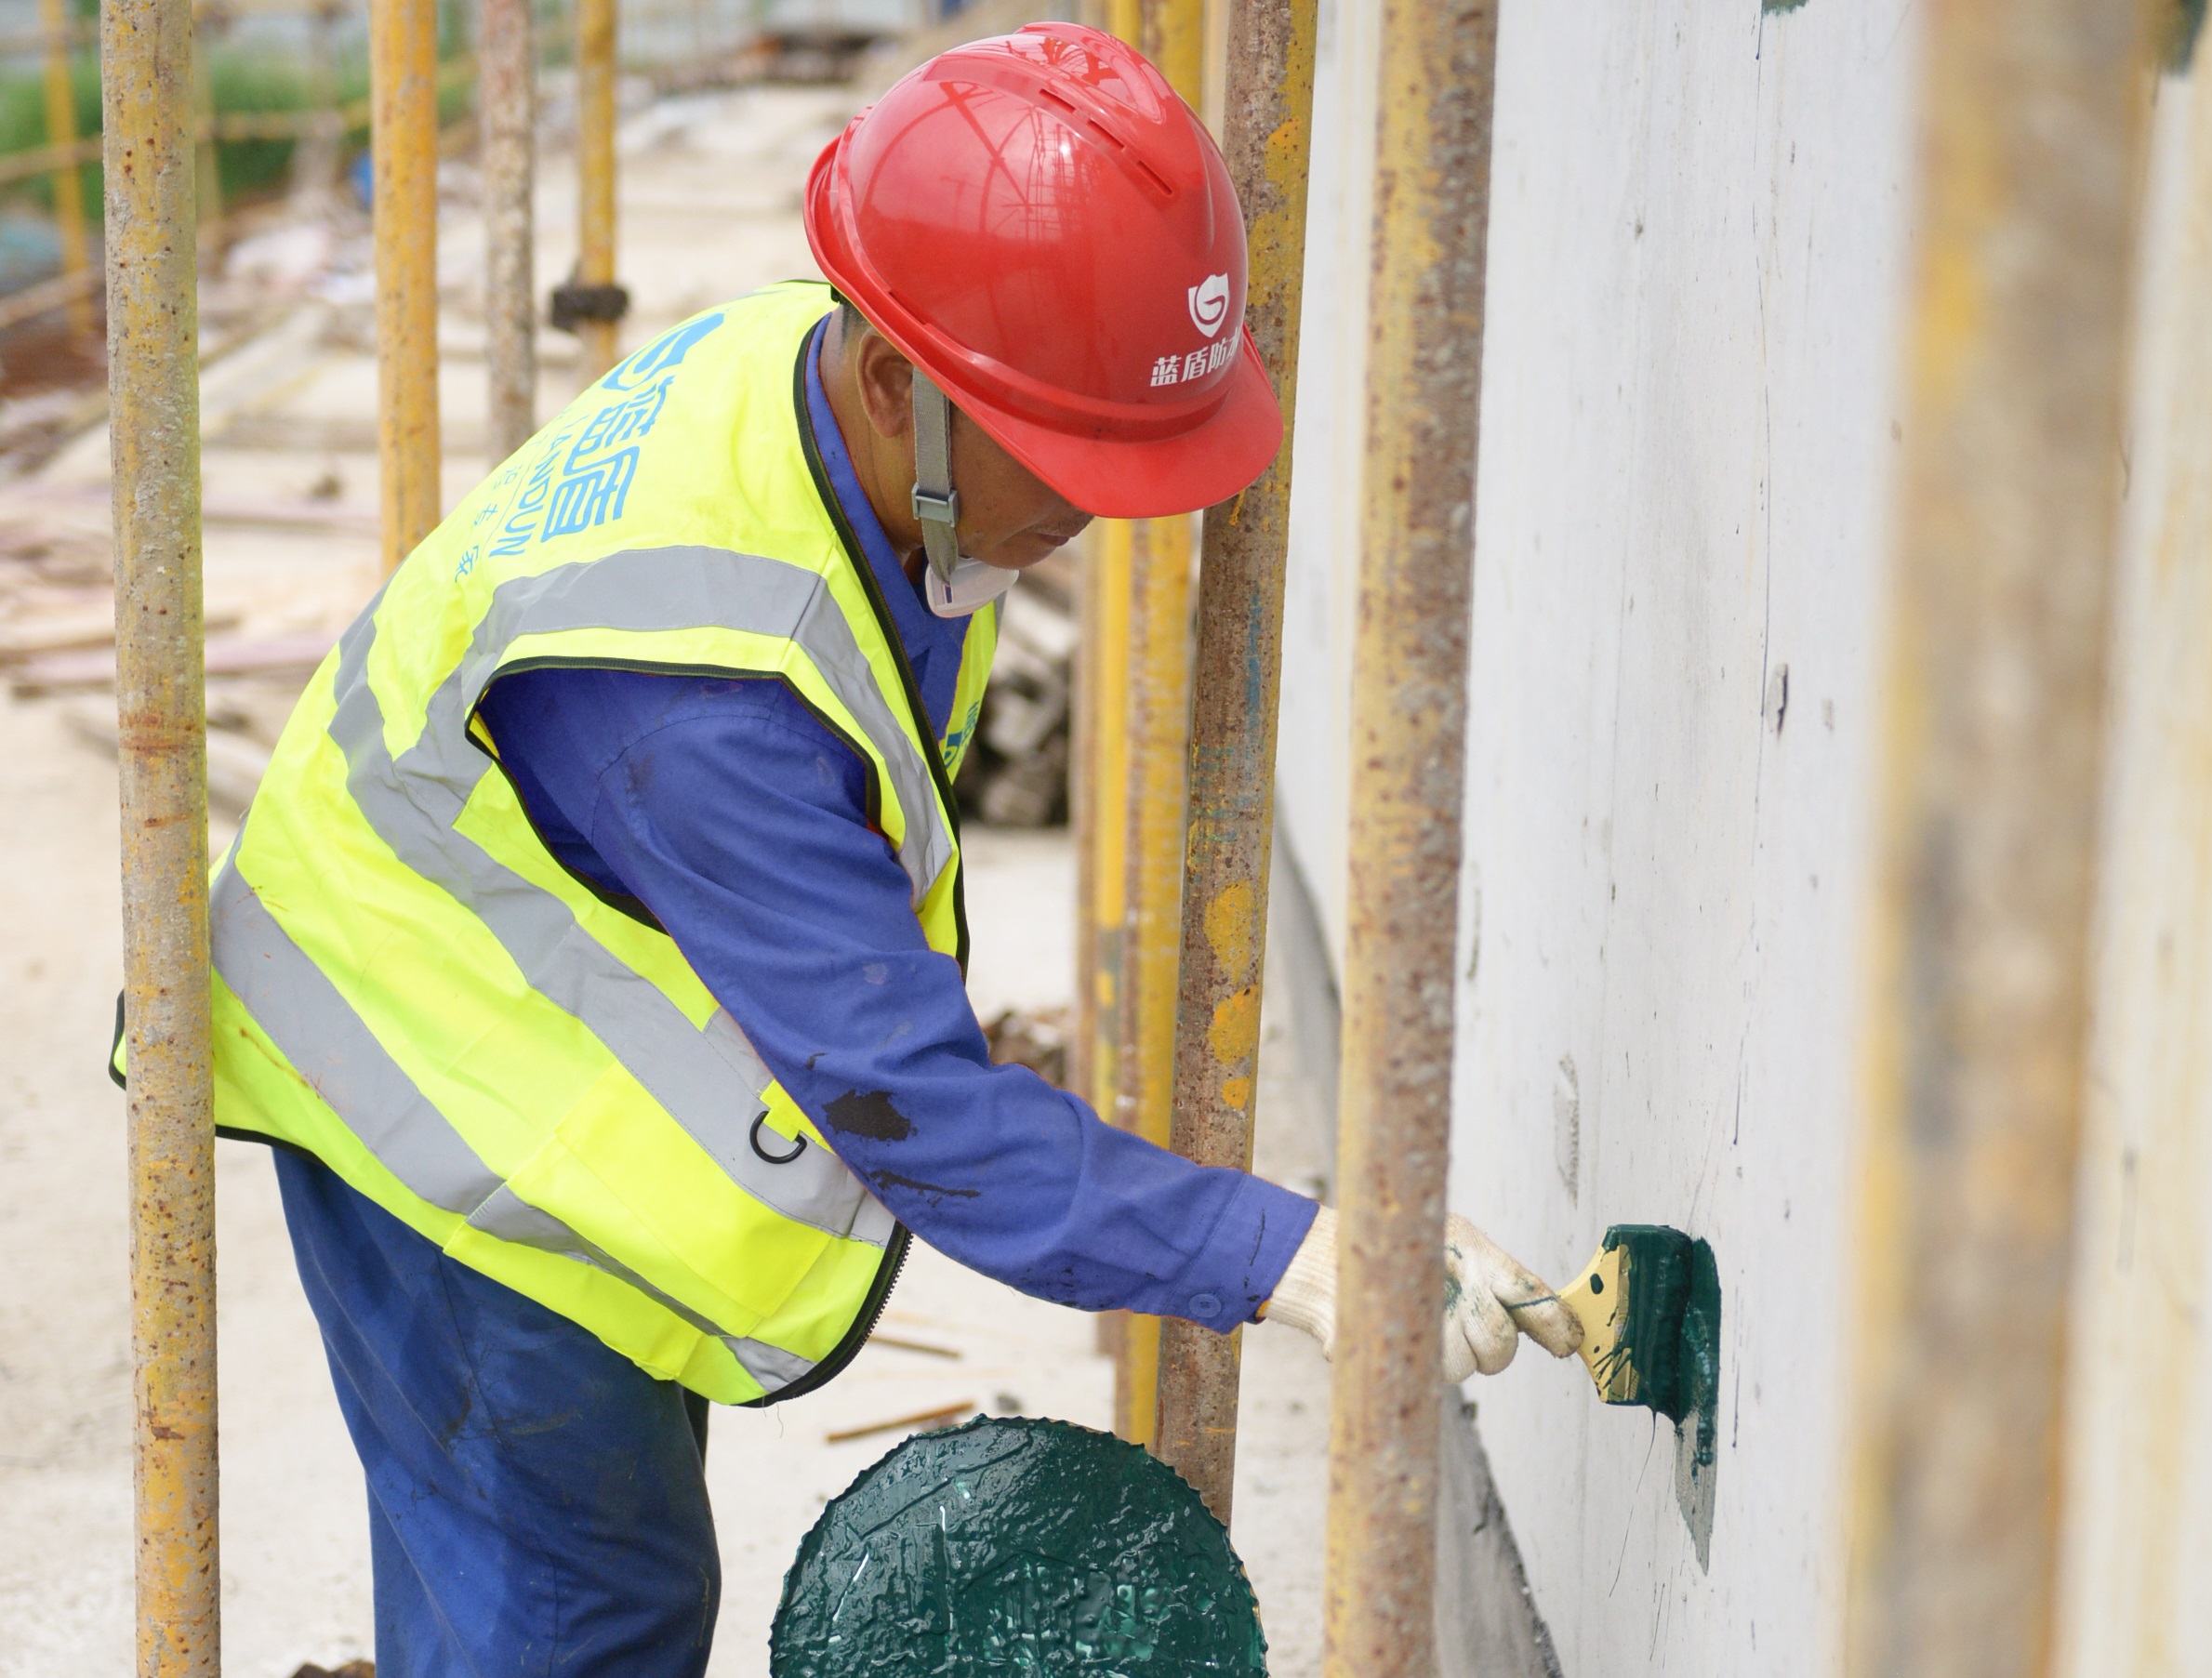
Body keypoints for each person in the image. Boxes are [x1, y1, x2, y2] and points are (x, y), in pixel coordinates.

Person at [173, 24, 1578, 1673]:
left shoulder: (830, 387)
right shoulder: (703, 711)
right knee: (581, 1612)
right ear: (905, 386)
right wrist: (1293, 1253)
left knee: (580, 1580)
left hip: (498, 978)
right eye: (1068, 460)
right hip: (424, 1084)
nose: (1101, 511)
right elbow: (926, 1117)